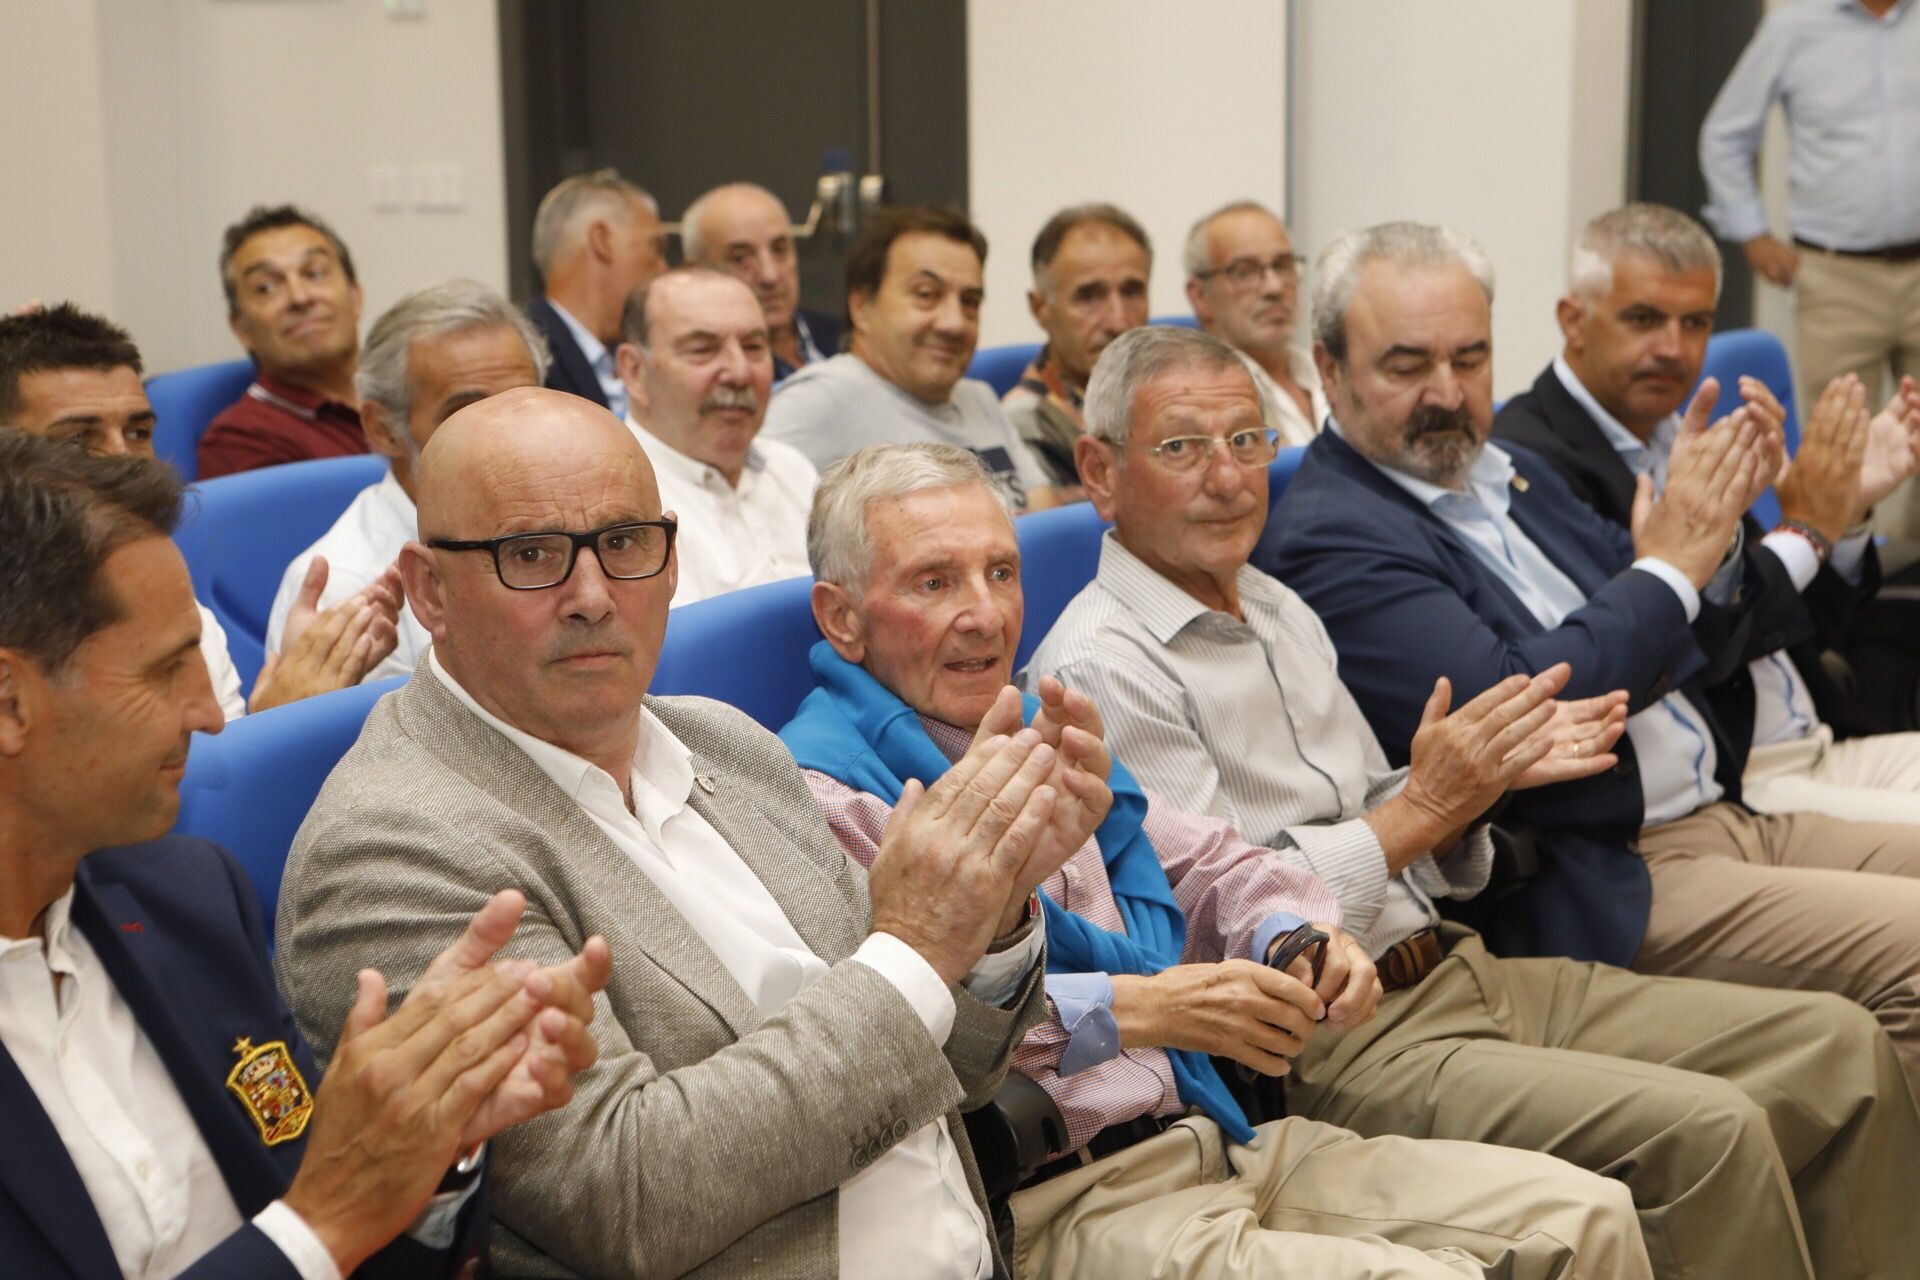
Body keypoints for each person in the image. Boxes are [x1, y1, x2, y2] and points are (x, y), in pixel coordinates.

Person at [1028, 324, 1920, 1279]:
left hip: (1457, 961)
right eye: (1182, 447)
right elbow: (1211, 937)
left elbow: (1394, 808)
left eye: (1249, 441)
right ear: (1099, 471)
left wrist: (1474, 788)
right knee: (1714, 1133)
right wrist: (1426, 809)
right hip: (1329, 1049)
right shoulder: (1100, 667)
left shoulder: (1278, 605)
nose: (1229, 474)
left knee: (1840, 1049)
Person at [781, 442, 1656, 1280]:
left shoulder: (1035, 727)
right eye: (935, 582)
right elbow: (911, 1034)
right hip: (1059, 1199)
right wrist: (1149, 1010)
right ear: (841, 617)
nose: (987, 612)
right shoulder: (821, 795)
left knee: (1591, 1217)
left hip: (1213, 1134)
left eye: (1001, 572)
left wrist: (1293, 939)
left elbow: (1210, 862)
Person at [273, 388, 1066, 1278]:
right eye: (530, 554)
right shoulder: (396, 849)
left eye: (623, 545)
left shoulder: (725, 740)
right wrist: (915, 947)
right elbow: (626, 1199)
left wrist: (986, 920)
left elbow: (949, 1066)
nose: (591, 596)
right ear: (429, 591)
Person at [1256, 220, 1920, 1102]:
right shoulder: (1334, 531)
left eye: (1471, 358)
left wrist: (1688, 572)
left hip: (1727, 804)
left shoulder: (1514, 470)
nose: (1449, 393)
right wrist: (1667, 574)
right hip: (1614, 865)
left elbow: (1692, 633)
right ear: (1329, 370)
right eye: (1408, 366)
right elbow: (1517, 698)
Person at [0, 429, 609, 1279]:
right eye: (165, 671)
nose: (212, 714)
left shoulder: (186, 901)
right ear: (10, 703)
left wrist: (430, 1145)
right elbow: (318, 1224)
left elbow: (344, 1233)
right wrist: (322, 1223)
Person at [1495, 203, 1920, 822]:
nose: (1672, 348)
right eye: (1643, 319)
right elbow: (1682, 649)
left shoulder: (1677, 429)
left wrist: (1845, 517)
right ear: (1574, 320)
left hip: (1818, 740)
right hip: (1728, 781)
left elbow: (1794, 624)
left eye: (1694, 322)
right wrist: (1805, 530)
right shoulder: (1530, 460)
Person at [0, 304, 402, 720]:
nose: (124, 459)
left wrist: (282, 714)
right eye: (78, 439)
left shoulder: (181, 611)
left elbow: (202, 773)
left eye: (138, 433)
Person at [1699, 0, 1920, 537]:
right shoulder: (1794, 27)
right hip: (1837, 277)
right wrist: (1751, 231)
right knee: (1839, 450)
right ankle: (1843, 602)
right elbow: (1724, 135)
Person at [267, 280, 549, 680]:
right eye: (467, 412)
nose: (510, 435)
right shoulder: (346, 589)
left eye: (524, 403)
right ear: (384, 428)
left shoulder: (577, 525)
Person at [761, 205, 1059, 512]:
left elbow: (1042, 515)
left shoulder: (979, 398)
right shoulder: (817, 402)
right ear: (861, 305)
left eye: (970, 302)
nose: (954, 322)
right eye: (926, 294)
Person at [614, 267, 816, 604]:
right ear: (634, 371)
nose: (739, 372)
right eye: (703, 349)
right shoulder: (614, 500)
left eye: (753, 346)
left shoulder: (792, 469)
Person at [200, 206, 369, 479]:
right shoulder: (242, 442)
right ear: (242, 328)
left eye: (314, 273)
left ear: (355, 296)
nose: (299, 297)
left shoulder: (407, 392)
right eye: (266, 287)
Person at [1001, 204, 1152, 491]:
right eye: (1088, 296)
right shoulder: (1027, 424)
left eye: (1132, 292)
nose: (1118, 321)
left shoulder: (1171, 392)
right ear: (1040, 308)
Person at [525, 169, 667, 418]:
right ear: (602, 240)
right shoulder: (527, 356)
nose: (664, 268)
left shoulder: (637, 357)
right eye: (656, 248)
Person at [1185, 200, 1329, 447]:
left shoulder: (1324, 369)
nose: (1274, 288)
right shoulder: (1199, 399)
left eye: (1283, 266)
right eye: (1245, 271)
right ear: (1200, 297)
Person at [680, 181, 842, 379]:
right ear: (697, 273)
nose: (770, 276)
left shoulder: (847, 340)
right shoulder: (706, 375)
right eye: (741, 259)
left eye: (779, 250)